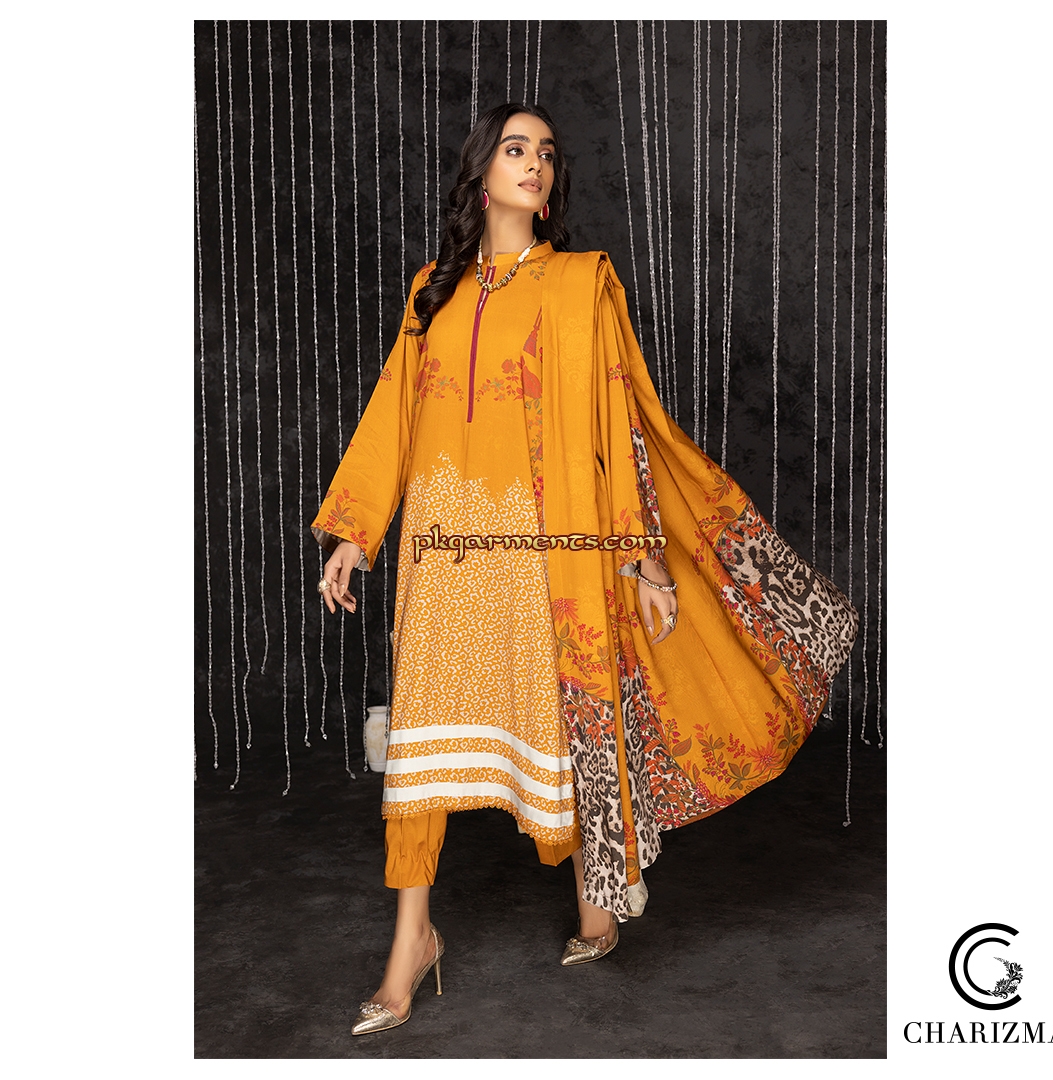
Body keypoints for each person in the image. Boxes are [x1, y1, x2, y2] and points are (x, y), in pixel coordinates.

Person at [311, 103, 858, 1037]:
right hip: (443, 553)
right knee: (420, 754)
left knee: (560, 727)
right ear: (482, 172)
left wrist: (645, 561)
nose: (535, 165)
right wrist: (357, 532)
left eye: (548, 154)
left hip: (545, 550)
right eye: (515, 149)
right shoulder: (430, 294)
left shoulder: (579, 286)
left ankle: (598, 894)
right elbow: (392, 416)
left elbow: (616, 430)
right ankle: (413, 942)